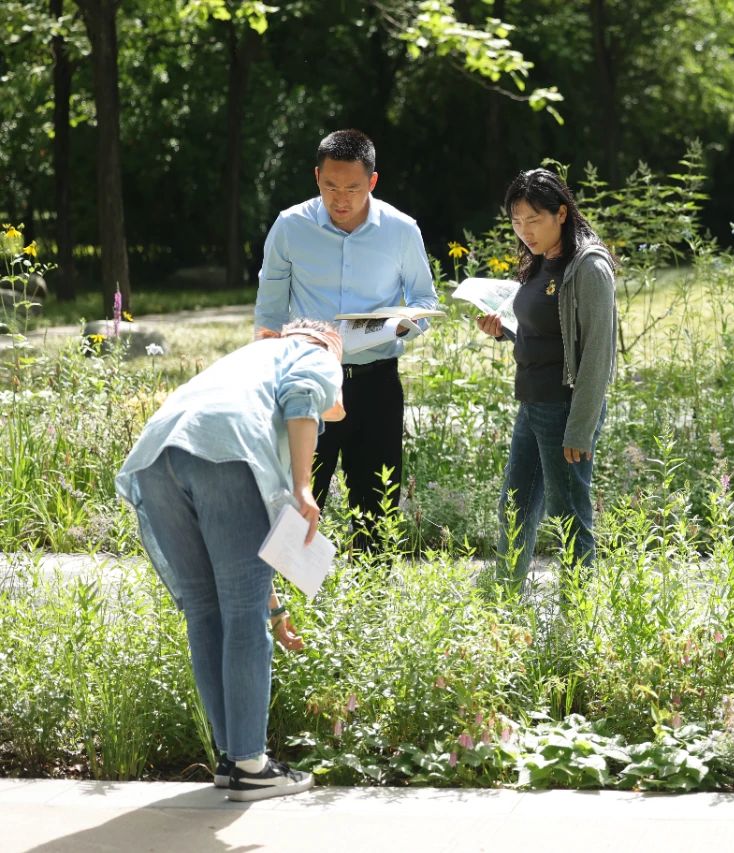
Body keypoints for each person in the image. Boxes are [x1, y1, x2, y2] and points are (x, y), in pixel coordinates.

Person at [116, 320, 346, 801]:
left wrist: (276, 607)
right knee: (240, 617)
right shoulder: (316, 353)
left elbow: (248, 546)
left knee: (206, 611)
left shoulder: (249, 360)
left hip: (157, 457)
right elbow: (306, 394)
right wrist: (304, 485)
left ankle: (232, 759)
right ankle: (251, 765)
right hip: (222, 455)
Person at [254, 129, 437, 549]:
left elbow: (424, 298)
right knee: (296, 504)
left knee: (377, 507)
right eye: (330, 186)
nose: (341, 199)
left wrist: (405, 324)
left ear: (372, 182)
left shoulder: (401, 229)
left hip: (377, 380)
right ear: (316, 177)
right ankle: (291, 606)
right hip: (306, 380)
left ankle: (370, 605)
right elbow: (269, 307)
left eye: (353, 188)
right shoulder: (290, 226)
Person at [475, 168, 618, 591]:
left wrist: (581, 426)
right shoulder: (540, 262)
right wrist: (504, 331)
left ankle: (580, 614)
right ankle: (506, 602)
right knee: (515, 507)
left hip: (567, 408)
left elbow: (597, 355)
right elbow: (547, 333)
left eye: (533, 220)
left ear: (561, 213)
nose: (525, 232)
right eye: (517, 222)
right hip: (533, 403)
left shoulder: (589, 267)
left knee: (570, 515)